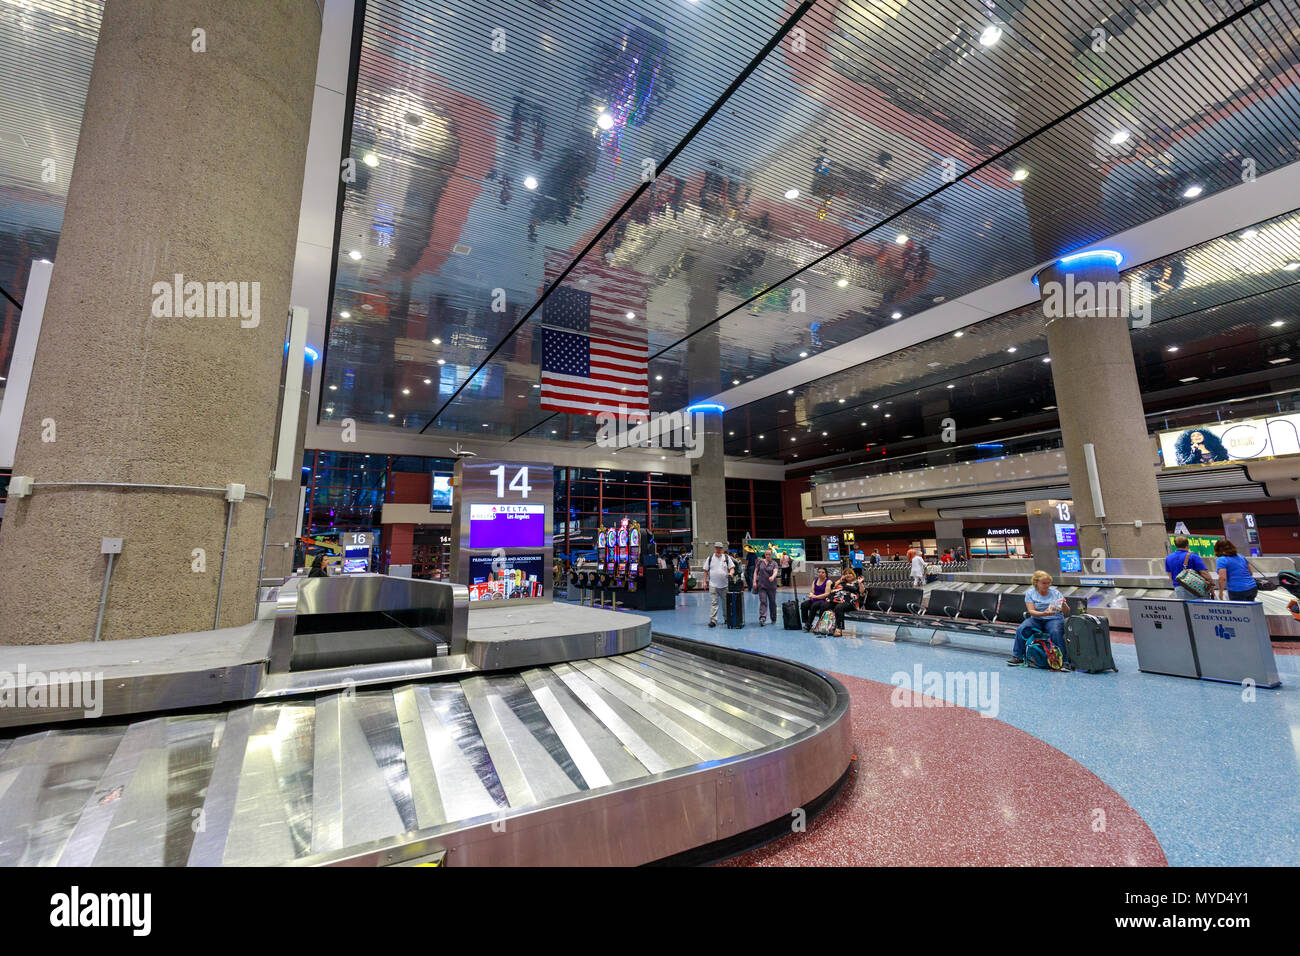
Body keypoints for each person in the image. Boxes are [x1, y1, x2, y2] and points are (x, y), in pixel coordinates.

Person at [1008, 570, 1066, 665]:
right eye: (1044, 583)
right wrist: (1044, 614)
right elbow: (1031, 611)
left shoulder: (1056, 593)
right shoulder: (1030, 593)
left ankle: (1063, 661)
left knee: (1055, 632)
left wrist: (1064, 605)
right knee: (1022, 629)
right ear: (1036, 583)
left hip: (1054, 619)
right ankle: (1017, 656)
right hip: (1037, 619)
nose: (1046, 585)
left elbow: (1066, 611)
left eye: (1048, 583)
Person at [703, 542, 738, 628]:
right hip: (713, 585)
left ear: (722, 549)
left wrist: (731, 573)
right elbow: (705, 571)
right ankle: (713, 620)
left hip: (724, 585)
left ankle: (727, 618)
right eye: (717, 548)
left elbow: (732, 569)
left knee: (725, 603)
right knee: (714, 603)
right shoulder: (710, 558)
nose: (718, 550)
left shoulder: (726, 558)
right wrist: (704, 582)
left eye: (720, 548)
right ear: (715, 549)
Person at [830, 568, 862, 637]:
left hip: (851, 603)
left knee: (839, 607)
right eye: (846, 574)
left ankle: (839, 629)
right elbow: (832, 587)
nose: (848, 575)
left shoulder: (857, 582)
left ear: (853, 574)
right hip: (840, 601)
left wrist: (860, 583)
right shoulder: (842, 583)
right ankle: (826, 627)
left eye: (850, 573)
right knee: (826, 605)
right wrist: (840, 580)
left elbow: (862, 592)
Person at [753, 549, 780, 626]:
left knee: (772, 602)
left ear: (771, 555)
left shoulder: (774, 563)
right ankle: (762, 618)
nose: (768, 556)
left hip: (771, 586)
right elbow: (755, 572)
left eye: (769, 554)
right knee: (763, 601)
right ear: (764, 555)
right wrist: (754, 582)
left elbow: (775, 571)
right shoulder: (760, 562)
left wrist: (773, 576)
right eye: (766, 554)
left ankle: (773, 617)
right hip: (761, 585)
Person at [805, 567, 832, 631]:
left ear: (826, 574)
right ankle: (806, 622)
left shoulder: (828, 582)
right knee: (804, 605)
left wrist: (815, 597)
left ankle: (809, 624)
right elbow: (812, 591)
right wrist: (811, 595)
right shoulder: (815, 580)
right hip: (815, 598)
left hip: (823, 599)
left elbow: (827, 594)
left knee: (814, 605)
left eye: (823, 572)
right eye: (819, 572)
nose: (820, 574)